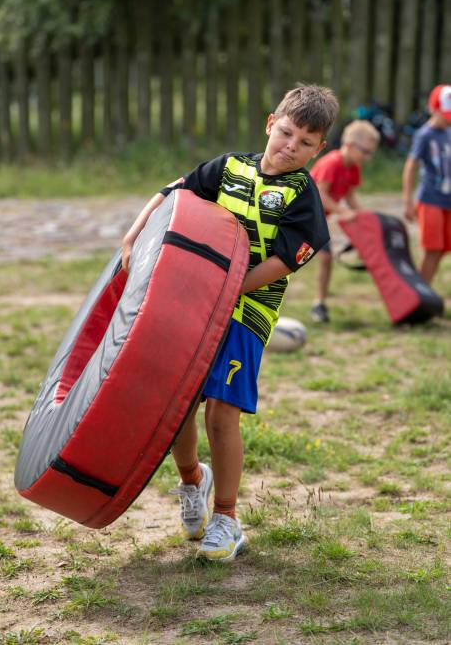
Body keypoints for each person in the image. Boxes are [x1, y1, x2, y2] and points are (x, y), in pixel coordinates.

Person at [121, 84, 338, 561]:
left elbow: (286, 260)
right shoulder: (228, 169)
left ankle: (227, 519)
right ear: (269, 123)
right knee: (177, 406)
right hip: (196, 304)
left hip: (247, 311)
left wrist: (227, 290)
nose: (291, 146)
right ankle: (193, 482)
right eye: (285, 133)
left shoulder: (301, 194)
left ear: (319, 149)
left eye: (305, 142)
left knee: (221, 412)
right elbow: (170, 195)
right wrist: (132, 238)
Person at [309, 120, 380, 322]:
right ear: (349, 145)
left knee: (326, 258)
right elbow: (320, 194)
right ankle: (318, 304)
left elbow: (349, 196)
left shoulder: (353, 167)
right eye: (365, 152)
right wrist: (342, 212)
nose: (368, 157)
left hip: (318, 219)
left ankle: (319, 304)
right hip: (304, 216)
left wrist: (363, 216)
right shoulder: (332, 163)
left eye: (370, 153)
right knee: (322, 258)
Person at [402, 84, 451, 284]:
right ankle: (420, 294)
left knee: (443, 248)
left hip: (448, 201)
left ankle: (423, 288)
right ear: (433, 109)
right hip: (430, 199)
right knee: (432, 248)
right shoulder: (424, 135)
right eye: (445, 114)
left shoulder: (449, 132)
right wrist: (407, 200)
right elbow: (410, 165)